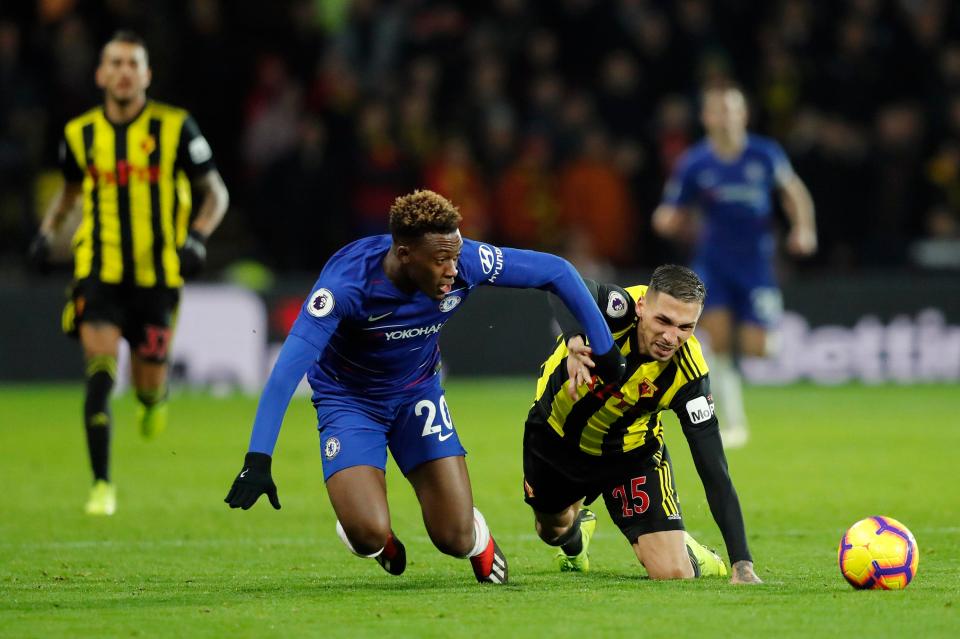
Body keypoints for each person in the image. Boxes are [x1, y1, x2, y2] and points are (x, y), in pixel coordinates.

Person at [224, 189, 626, 585]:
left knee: (454, 537)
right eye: (440, 260)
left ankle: (478, 537)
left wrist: (605, 350)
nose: (453, 269)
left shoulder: (466, 261)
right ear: (404, 255)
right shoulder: (346, 286)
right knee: (366, 534)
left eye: (455, 255)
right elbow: (283, 375)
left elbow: (557, 272)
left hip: (418, 392)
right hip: (350, 401)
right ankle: (374, 541)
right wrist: (258, 458)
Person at [28, 31, 230, 515]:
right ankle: (101, 485)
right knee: (99, 373)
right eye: (114, 62)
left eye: (131, 63)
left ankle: (153, 400)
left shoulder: (176, 128)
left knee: (146, 386)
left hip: (158, 277)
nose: (122, 71)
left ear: (146, 74)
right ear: (100, 74)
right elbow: (71, 192)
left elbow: (215, 193)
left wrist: (197, 237)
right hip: (99, 269)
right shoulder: (80, 135)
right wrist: (47, 232)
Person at [523, 265, 762, 583]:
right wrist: (574, 338)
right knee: (553, 530)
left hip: (630, 454)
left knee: (673, 573)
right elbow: (560, 282)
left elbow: (714, 470)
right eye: (663, 321)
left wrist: (742, 565)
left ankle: (693, 554)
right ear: (641, 307)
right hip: (556, 436)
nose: (671, 337)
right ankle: (576, 533)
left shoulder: (688, 375)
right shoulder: (615, 309)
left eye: (685, 327)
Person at [652, 83, 816, 448]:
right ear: (707, 117)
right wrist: (666, 218)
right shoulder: (695, 161)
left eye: (732, 110)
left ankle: (760, 344)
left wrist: (804, 228)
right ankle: (734, 422)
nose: (726, 118)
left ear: (743, 114)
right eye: (718, 111)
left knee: (761, 348)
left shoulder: (764, 154)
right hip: (713, 263)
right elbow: (673, 204)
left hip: (757, 263)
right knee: (720, 343)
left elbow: (793, 192)